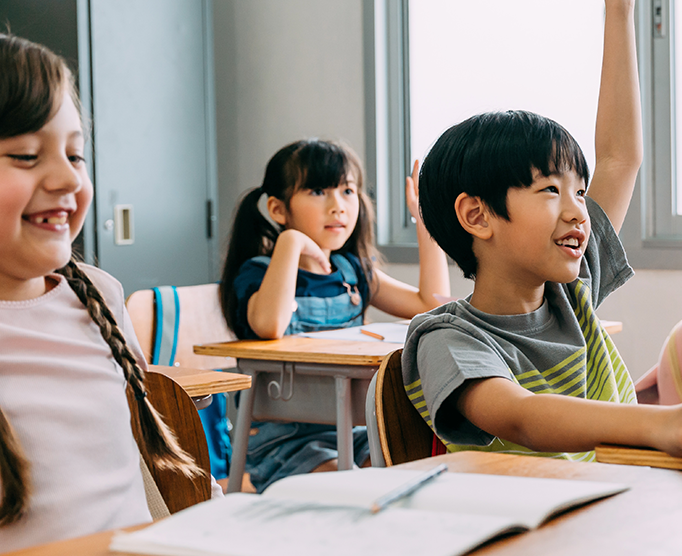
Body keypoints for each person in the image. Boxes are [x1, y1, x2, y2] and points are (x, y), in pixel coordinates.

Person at [0, 15, 205, 556]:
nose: (67, 180)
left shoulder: (96, 295)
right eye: (24, 155)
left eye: (75, 154)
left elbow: (129, 486)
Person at [403, 0, 682, 461]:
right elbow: (522, 416)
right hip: (525, 526)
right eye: (552, 189)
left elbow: (620, 158)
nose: (579, 211)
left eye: (581, 191)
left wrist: (620, 13)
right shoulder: (446, 339)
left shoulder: (570, 293)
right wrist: (664, 425)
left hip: (611, 505)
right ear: (477, 216)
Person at [219, 138, 451, 492]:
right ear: (278, 210)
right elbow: (268, 326)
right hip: (287, 443)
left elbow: (430, 304)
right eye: (317, 191)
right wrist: (291, 243)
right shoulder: (259, 273)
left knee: (415, 479)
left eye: (347, 191)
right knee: (355, 492)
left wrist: (425, 220)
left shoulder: (353, 271)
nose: (338, 206)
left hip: (358, 431)